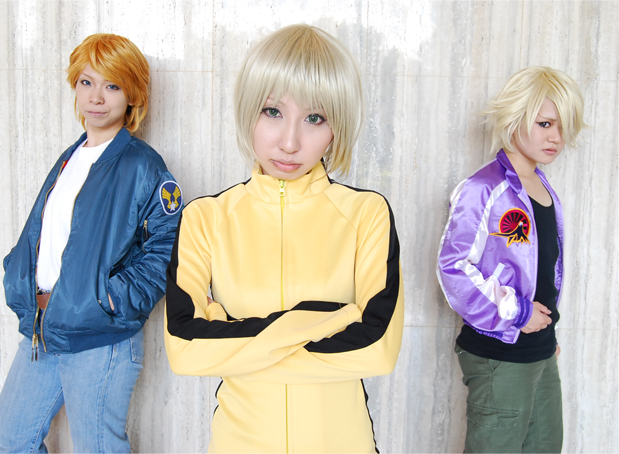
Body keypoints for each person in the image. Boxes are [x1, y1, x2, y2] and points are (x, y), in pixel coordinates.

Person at [163, 24, 404, 453]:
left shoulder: (366, 215)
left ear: (336, 127)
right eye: (272, 111)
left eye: (314, 118)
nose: (290, 142)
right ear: (248, 111)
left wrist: (229, 335)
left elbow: (378, 348)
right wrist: (335, 318)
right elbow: (184, 348)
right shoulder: (205, 218)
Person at [0, 33, 182, 453]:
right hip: (45, 329)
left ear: (132, 95)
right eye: (86, 82)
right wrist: (16, 273)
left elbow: (166, 247)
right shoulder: (70, 157)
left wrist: (108, 299)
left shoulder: (143, 165)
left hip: (99, 338)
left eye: (112, 85)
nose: (96, 97)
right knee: (10, 437)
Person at [437, 66, 587, 453]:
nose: (556, 137)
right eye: (545, 124)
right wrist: (518, 313)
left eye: (563, 126)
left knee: (546, 446)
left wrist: (548, 335)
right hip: (499, 352)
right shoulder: (483, 188)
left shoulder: (542, 186)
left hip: (540, 350)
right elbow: (454, 268)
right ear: (514, 118)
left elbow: (543, 269)